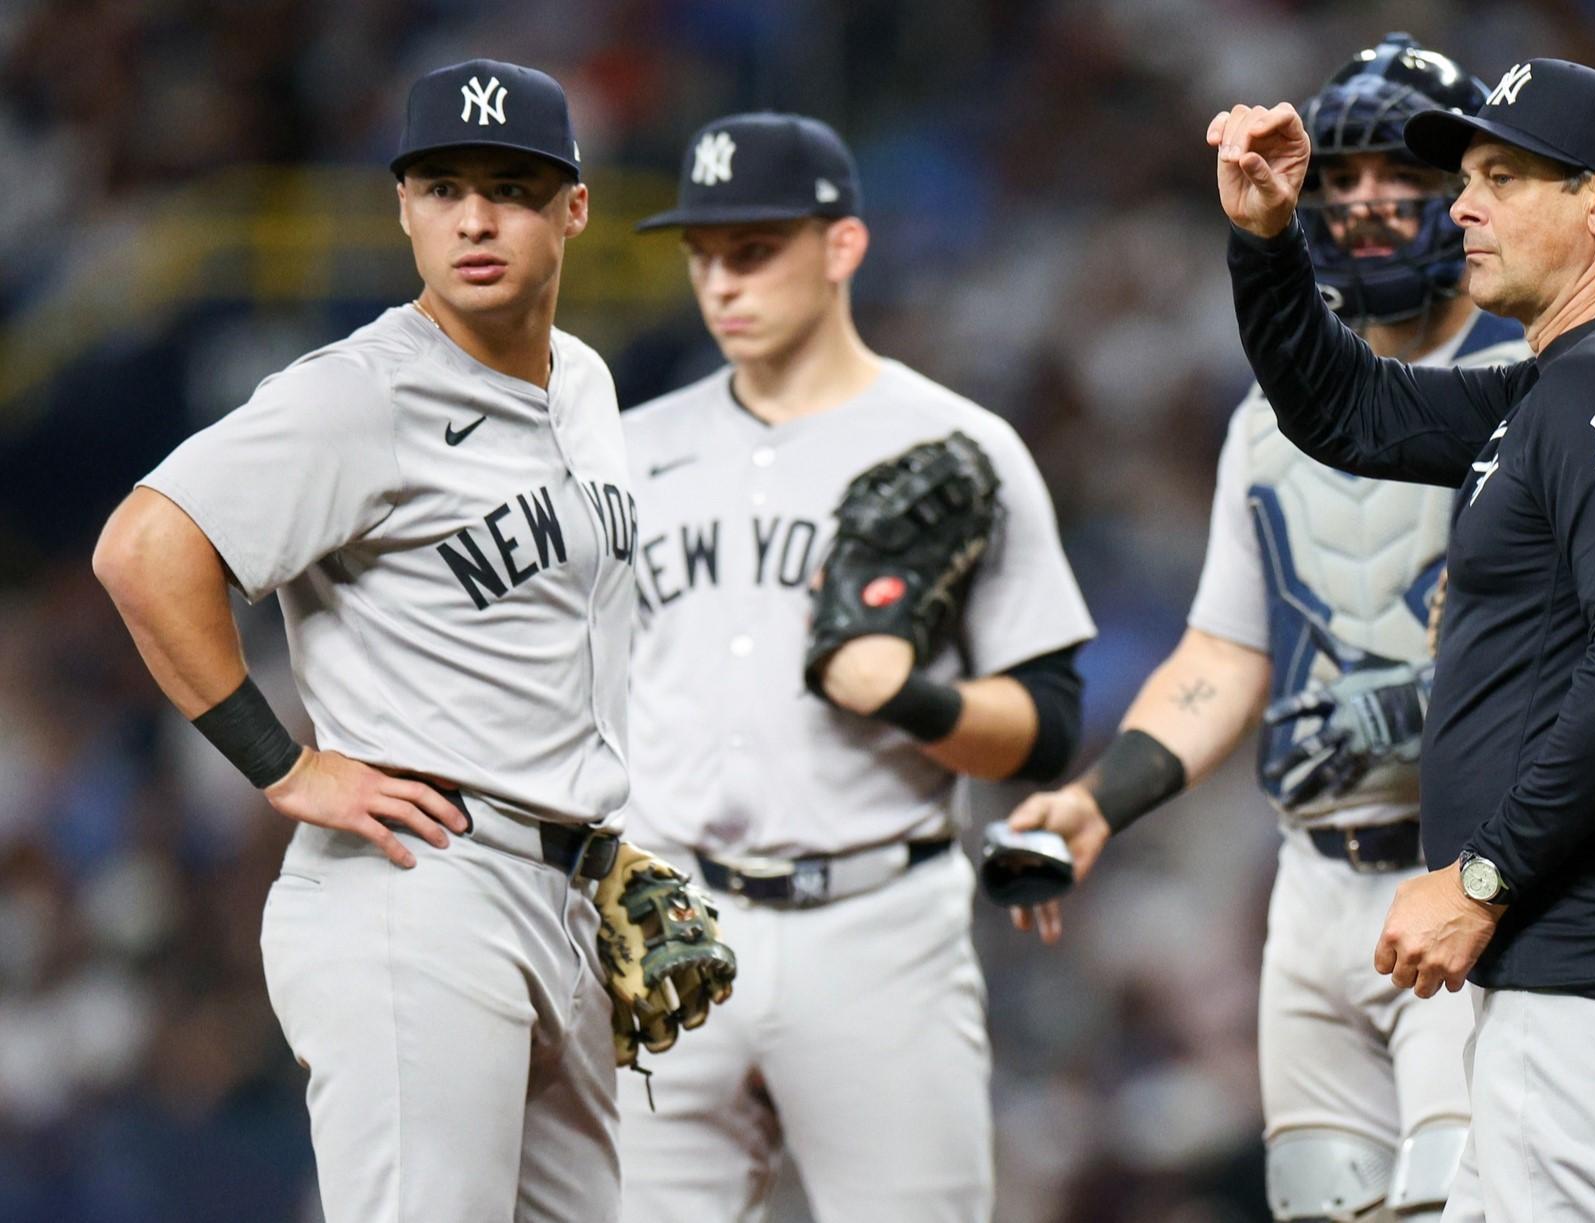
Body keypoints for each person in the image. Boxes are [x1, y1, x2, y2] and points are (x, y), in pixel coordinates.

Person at [1208, 58, 1595, 1220]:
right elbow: (1349, 409)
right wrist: (1270, 240)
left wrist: (1484, 876)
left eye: (1502, 176)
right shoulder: (1575, 380)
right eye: (1465, 176)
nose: (1461, 204)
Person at [92, 60, 640, 1222]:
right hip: (423, 889)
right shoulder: (362, 394)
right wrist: (285, 765)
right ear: (403, 209)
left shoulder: (586, 384)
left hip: (572, 900)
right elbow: (145, 549)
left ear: (574, 209)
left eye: (512, 186)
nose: (475, 218)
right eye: (442, 187)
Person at [1004, 34, 1525, 1222]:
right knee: (1319, 1204)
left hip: (1472, 873)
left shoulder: (1541, 386)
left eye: (1403, 169)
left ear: (1467, 194)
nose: (1367, 201)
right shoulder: (1266, 421)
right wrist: (1099, 801)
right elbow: (1228, 650)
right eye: (1338, 178)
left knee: (1469, 1204)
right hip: (1313, 878)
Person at [612, 112, 1095, 1222]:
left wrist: (909, 698)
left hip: (878, 929)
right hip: (668, 922)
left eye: (753, 251)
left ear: (843, 247)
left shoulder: (955, 444)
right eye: (703, 257)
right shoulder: (627, 452)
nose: (722, 284)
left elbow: (1052, 721)